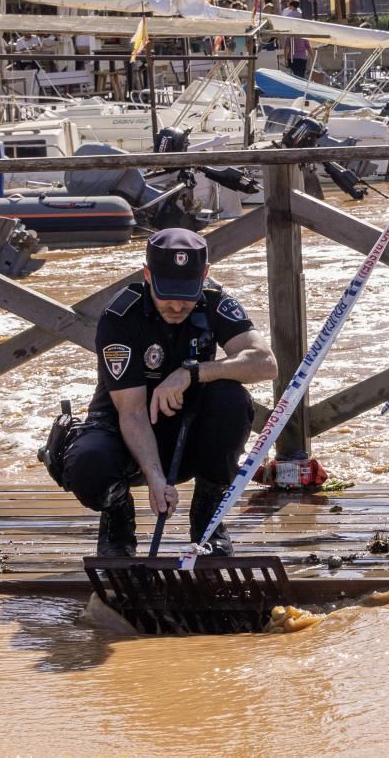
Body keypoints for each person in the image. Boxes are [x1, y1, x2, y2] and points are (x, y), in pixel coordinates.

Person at [62, 229, 277, 557]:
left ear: (204, 276)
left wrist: (192, 373)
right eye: (167, 293)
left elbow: (265, 363)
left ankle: (208, 516)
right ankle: (118, 518)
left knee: (231, 400)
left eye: (187, 293)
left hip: (188, 432)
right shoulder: (121, 317)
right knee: (87, 466)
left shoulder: (216, 303)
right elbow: (131, 412)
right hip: (124, 430)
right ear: (148, 276)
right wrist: (155, 479)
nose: (177, 305)